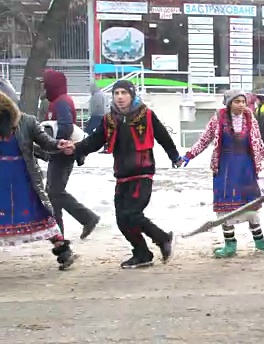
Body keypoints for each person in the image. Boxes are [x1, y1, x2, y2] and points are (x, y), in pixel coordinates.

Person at [65, 80, 181, 269]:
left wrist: (174, 156)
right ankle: (142, 253)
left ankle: (163, 238)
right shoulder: (109, 119)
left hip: (142, 173)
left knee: (133, 214)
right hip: (122, 175)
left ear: (132, 95)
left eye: (124, 93)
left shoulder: (147, 115)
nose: (119, 97)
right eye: (116, 93)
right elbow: (94, 142)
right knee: (122, 219)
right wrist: (75, 149)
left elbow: (163, 137)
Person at [182, 90, 264, 258]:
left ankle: (260, 241)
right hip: (225, 168)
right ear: (228, 103)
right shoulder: (218, 120)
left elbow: (259, 145)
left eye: (243, 101)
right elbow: (204, 140)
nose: (241, 105)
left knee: (250, 205)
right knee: (225, 207)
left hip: (246, 168)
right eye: (237, 101)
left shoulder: (251, 120)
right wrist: (189, 155)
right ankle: (230, 244)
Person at [0, 79, 76, 270]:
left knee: (40, 213)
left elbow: (46, 142)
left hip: (22, 178)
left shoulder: (27, 122)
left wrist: (59, 144)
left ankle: (63, 250)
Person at [43, 69, 99, 239]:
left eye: (45, 84)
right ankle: (59, 232)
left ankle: (87, 218)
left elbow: (66, 126)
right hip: (60, 153)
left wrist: (55, 143)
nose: (43, 88)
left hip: (63, 153)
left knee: (55, 192)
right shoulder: (56, 102)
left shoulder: (61, 102)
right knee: (53, 193)